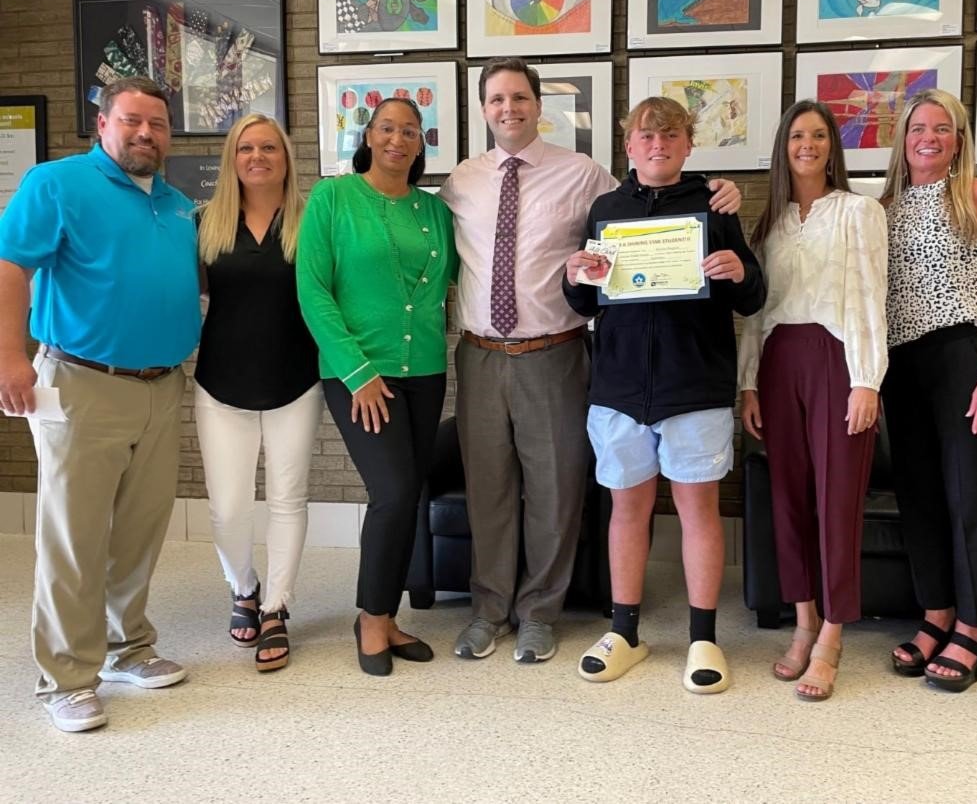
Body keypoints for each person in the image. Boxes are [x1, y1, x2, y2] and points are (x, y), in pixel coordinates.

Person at [438, 58, 741, 664]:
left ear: (537, 104)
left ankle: (539, 614)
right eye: (497, 98)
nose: (509, 108)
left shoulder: (585, 177)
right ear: (483, 107)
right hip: (478, 354)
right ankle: (488, 609)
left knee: (554, 490)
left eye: (520, 97)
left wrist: (720, 188)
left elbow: (646, 205)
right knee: (489, 488)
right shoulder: (459, 181)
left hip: (555, 352)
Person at [0, 77, 200, 732]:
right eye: (132, 120)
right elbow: (10, 266)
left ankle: (127, 647)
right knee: (75, 536)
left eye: (159, 124)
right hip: (82, 384)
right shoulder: (56, 185)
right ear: (102, 123)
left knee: (140, 530)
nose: (146, 134)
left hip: (160, 386)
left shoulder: (173, 204)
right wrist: (9, 357)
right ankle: (66, 675)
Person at [563, 96, 764, 693]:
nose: (658, 146)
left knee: (698, 507)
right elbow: (585, 301)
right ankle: (625, 630)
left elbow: (752, 297)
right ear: (628, 146)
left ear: (687, 144)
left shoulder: (715, 204)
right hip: (619, 385)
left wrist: (739, 271)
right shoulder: (606, 208)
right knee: (628, 507)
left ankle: (704, 637)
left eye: (670, 136)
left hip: (694, 383)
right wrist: (575, 274)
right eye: (647, 137)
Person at [297, 97, 457, 677]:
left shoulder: (433, 211)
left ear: (421, 144)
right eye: (387, 128)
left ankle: (387, 618)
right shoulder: (333, 198)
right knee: (391, 492)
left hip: (426, 371)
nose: (397, 139)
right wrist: (357, 372)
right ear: (368, 136)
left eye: (409, 131)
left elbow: (461, 278)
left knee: (409, 493)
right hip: (359, 374)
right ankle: (369, 618)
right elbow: (313, 290)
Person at [738, 99, 888, 701]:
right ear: (784, 146)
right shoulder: (768, 222)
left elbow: (874, 297)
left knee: (836, 500)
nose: (808, 144)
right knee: (787, 499)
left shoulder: (858, 211)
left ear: (833, 145)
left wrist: (867, 379)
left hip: (837, 361)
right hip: (778, 362)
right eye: (797, 134)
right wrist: (747, 382)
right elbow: (752, 312)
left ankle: (832, 633)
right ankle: (801, 622)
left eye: (819, 135)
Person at [880, 88, 977, 693]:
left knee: (969, 495)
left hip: (964, 356)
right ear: (902, 138)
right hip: (901, 362)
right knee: (919, 496)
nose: (929, 137)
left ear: (959, 139)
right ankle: (935, 611)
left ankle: (972, 625)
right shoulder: (883, 205)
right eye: (918, 127)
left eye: (943, 128)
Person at [194, 114, 322, 672]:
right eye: (246, 147)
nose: (257, 156)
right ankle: (242, 588)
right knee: (227, 507)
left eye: (269, 146)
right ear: (232, 157)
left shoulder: (312, 218)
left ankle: (275, 606)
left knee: (288, 498)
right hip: (221, 384)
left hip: (296, 380)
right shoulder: (203, 223)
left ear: (285, 156)